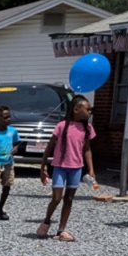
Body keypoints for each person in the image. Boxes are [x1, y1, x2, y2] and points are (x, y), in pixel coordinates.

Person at [37, 95, 100, 241]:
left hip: (76, 168)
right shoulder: (61, 126)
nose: (90, 112)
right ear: (76, 109)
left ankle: (61, 229)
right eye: (88, 109)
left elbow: (87, 149)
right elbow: (49, 147)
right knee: (57, 198)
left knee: (69, 198)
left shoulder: (87, 128)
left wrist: (91, 169)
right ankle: (47, 221)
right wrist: (42, 167)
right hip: (60, 166)